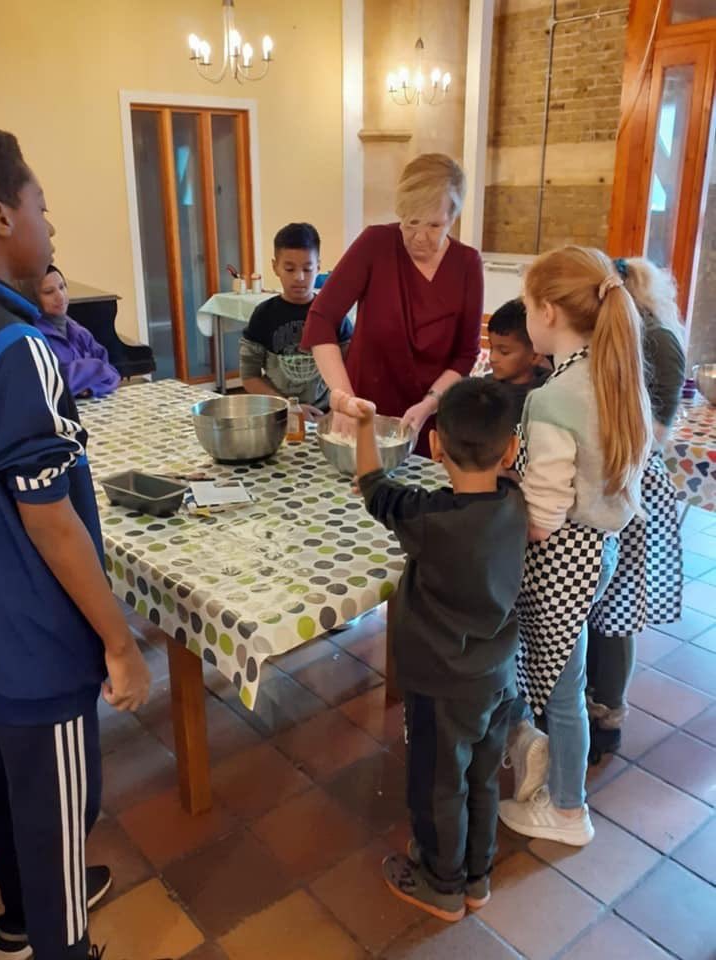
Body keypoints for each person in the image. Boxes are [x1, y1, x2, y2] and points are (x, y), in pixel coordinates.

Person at [0, 126, 152, 959]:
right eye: (41, 208)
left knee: (9, 785)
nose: (50, 227)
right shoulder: (17, 345)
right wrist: (118, 641)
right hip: (35, 639)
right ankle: (62, 938)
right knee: (63, 803)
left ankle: (21, 918)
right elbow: (51, 515)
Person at [333, 379, 527, 921]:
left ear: (435, 445)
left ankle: (441, 885)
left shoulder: (428, 517)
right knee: (481, 777)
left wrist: (367, 423)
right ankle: (475, 877)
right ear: (511, 450)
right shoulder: (515, 503)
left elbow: (372, 483)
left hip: (442, 684)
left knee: (438, 784)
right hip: (497, 677)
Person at [498, 247, 652, 847]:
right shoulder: (612, 374)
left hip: (562, 556)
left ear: (548, 312)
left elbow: (541, 519)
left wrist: (503, 495)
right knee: (571, 677)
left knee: (563, 691)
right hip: (600, 549)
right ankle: (550, 775)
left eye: (527, 307)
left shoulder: (552, 399)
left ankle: (567, 810)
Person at [301, 153, 483, 456]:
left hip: (429, 417)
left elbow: (465, 355)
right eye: (411, 223)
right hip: (362, 413)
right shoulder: (376, 244)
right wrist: (344, 398)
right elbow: (321, 320)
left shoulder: (467, 264)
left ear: (454, 218)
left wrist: (428, 405)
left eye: (435, 225)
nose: (420, 237)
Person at [586, 257, 685, 761]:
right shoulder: (607, 337)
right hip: (603, 477)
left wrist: (609, 457)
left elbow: (658, 430)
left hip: (631, 482)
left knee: (617, 604)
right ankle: (588, 703)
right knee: (593, 597)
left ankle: (609, 712)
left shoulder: (659, 341)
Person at [239, 222, 352, 419]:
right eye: (289, 269)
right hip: (278, 415)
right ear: (275, 267)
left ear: (318, 267)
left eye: (307, 269)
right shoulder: (263, 315)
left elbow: (352, 371)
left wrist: (336, 413)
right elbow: (250, 376)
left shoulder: (334, 315)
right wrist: (287, 407)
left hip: (326, 416)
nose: (299, 277)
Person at [35, 264, 121, 398]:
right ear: (33, 298)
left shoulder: (79, 331)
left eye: (62, 287)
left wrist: (91, 388)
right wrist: (92, 366)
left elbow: (112, 374)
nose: (60, 296)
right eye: (48, 292)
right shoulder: (35, 338)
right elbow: (51, 385)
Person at [484, 298, 550, 422]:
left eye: (504, 352)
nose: (492, 358)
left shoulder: (547, 395)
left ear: (535, 356)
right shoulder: (483, 393)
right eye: (491, 348)